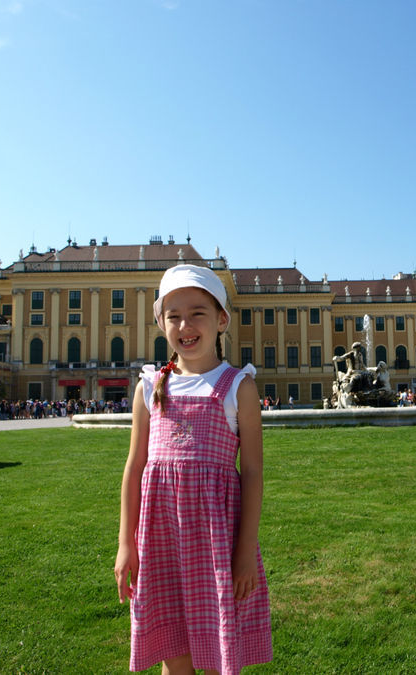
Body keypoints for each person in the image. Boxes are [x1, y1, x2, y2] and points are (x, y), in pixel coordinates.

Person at [115, 264, 272, 675]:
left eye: (198, 312)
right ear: (161, 324)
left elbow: (252, 472)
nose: (185, 324)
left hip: (216, 542)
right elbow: (136, 467)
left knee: (222, 652)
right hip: (161, 540)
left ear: (221, 320)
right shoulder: (149, 387)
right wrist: (125, 543)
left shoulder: (239, 387)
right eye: (174, 315)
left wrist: (245, 553)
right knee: (175, 655)